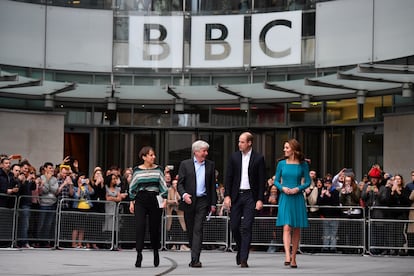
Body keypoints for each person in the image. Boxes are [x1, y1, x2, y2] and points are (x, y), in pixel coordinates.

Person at [223, 132, 265, 268]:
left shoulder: (258, 158)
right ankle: (241, 249)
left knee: (247, 227)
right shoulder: (234, 157)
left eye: (242, 142)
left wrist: (260, 199)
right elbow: (228, 177)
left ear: (249, 143)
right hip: (236, 196)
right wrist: (227, 196)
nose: (239, 144)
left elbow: (261, 181)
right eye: (239, 141)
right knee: (234, 226)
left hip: (250, 197)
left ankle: (243, 258)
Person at [177, 140, 217, 268]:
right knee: (190, 230)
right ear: (196, 152)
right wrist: (184, 195)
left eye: (206, 151)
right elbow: (180, 184)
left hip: (203, 201)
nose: (206, 153)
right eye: (203, 151)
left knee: (198, 229)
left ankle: (195, 259)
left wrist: (213, 203)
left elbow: (212, 186)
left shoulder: (210, 165)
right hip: (189, 201)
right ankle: (193, 255)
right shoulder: (185, 164)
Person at [273, 138, 310, 268]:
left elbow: (308, 182)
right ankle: (287, 255)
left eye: (287, 147)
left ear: (294, 149)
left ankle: (294, 257)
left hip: (297, 197)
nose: (284, 150)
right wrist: (282, 188)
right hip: (285, 196)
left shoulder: (303, 164)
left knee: (297, 228)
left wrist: (298, 188)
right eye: (284, 147)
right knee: (287, 226)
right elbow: (276, 181)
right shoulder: (281, 164)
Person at [128, 146, 168, 268]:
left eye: (153, 154)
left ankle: (156, 251)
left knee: (154, 228)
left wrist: (164, 199)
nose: (153, 157)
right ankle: (139, 253)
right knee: (140, 226)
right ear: (144, 157)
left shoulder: (159, 169)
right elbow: (132, 187)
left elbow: (163, 185)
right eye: (151, 155)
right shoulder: (137, 170)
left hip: (155, 199)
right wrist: (131, 201)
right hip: (140, 199)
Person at [317, 177, 341, 253]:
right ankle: (325, 247)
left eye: (329, 183)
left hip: (334, 216)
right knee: (326, 233)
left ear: (331, 184)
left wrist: (329, 195)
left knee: (333, 233)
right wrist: (321, 195)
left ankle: (333, 248)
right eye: (326, 183)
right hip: (325, 216)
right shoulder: (322, 191)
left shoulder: (335, 192)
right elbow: (318, 203)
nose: (327, 185)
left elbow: (336, 203)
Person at [166, 176, 189, 251]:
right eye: (173, 184)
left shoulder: (181, 190)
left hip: (180, 212)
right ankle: (173, 245)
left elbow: (183, 199)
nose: (175, 185)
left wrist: (178, 195)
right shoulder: (169, 190)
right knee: (172, 229)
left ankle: (183, 245)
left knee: (182, 228)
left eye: (176, 184)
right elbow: (167, 200)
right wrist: (173, 201)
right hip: (172, 212)